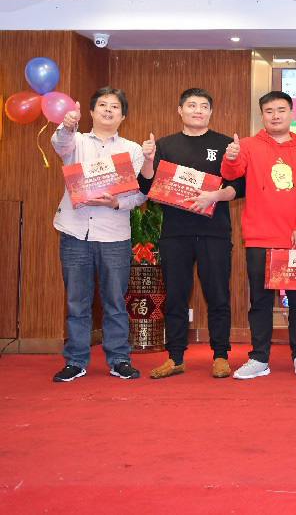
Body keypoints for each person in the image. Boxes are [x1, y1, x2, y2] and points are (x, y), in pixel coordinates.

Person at [137, 88, 246, 379]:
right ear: (180, 110)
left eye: (204, 106)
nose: (198, 110)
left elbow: (239, 187)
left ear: (211, 112)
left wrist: (214, 196)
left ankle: (221, 356)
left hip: (214, 232)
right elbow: (147, 187)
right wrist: (148, 159)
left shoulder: (225, 145)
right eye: (192, 105)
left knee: (218, 296)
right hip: (175, 233)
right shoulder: (165, 145)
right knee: (175, 296)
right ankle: (175, 358)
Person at [221, 90, 296, 379]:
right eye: (269, 111)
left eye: (281, 110)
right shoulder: (248, 145)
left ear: (292, 114)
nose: (275, 116)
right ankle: (259, 358)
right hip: (260, 237)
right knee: (260, 301)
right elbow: (231, 174)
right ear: (262, 115)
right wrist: (230, 158)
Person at [51, 88, 145, 382]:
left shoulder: (132, 150)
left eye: (114, 106)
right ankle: (75, 360)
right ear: (91, 112)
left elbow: (140, 194)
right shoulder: (75, 141)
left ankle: (119, 359)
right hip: (75, 232)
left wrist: (116, 203)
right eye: (102, 105)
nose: (108, 110)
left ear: (123, 116)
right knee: (76, 301)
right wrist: (68, 125)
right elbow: (59, 143)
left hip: (114, 235)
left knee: (115, 301)